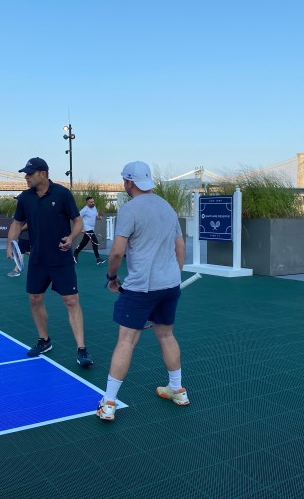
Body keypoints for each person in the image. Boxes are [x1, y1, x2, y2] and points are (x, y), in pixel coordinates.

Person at [97, 161, 187, 421]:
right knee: (167, 336)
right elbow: (180, 248)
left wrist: (112, 277)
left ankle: (109, 403)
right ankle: (177, 389)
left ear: (129, 183)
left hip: (140, 288)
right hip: (169, 285)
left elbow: (116, 252)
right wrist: (173, 277)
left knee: (126, 341)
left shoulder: (129, 209)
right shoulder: (167, 207)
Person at [7, 157, 93, 367]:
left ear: (43, 174)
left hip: (61, 258)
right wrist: (10, 244)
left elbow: (78, 220)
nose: (25, 177)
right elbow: (17, 223)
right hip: (37, 258)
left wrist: (71, 238)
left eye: (29, 173)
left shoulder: (62, 194)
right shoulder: (25, 198)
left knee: (71, 301)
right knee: (35, 299)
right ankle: (44, 341)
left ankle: (82, 349)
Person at [73, 196, 106, 266]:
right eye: (91, 202)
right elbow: (77, 218)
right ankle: (98, 259)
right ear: (87, 203)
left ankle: (75, 253)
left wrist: (99, 217)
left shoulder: (94, 208)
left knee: (84, 243)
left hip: (92, 228)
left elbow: (96, 216)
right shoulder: (84, 210)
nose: (93, 203)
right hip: (87, 228)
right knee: (95, 242)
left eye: (93, 202)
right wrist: (82, 228)